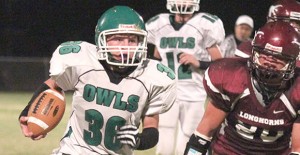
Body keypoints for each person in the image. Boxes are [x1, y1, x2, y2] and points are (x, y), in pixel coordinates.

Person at [18, 6, 177, 155]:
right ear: (102, 40)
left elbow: (151, 127)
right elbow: (53, 84)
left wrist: (139, 141)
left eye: (132, 40)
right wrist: (27, 113)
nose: (125, 47)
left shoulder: (150, 76)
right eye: (117, 39)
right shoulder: (84, 62)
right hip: (74, 150)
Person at [184, 21, 300, 154]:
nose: (269, 63)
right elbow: (204, 133)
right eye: (264, 55)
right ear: (253, 53)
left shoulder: (296, 89)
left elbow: (298, 149)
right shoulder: (232, 78)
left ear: (292, 62)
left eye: (278, 58)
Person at [146, 0, 225, 154]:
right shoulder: (159, 25)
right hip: (167, 91)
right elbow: (156, 58)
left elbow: (220, 65)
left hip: (194, 94)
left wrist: (199, 63)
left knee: (188, 140)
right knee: (164, 140)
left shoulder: (203, 25)